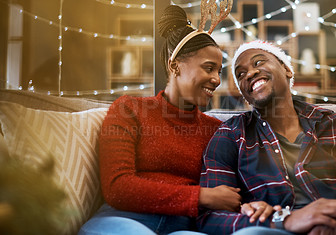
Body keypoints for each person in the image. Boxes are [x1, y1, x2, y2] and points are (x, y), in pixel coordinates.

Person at [197, 40, 336, 235]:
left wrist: (330, 213)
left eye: (259, 62)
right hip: (274, 231)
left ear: (287, 69)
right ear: (243, 92)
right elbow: (211, 218)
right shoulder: (230, 135)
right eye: (240, 74)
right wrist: (284, 220)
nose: (250, 73)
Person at [78, 5, 241, 235]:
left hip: (184, 227)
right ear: (175, 66)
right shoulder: (129, 110)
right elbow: (118, 187)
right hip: (123, 219)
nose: (215, 79)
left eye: (219, 72)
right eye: (208, 68)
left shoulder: (217, 130)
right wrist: (202, 196)